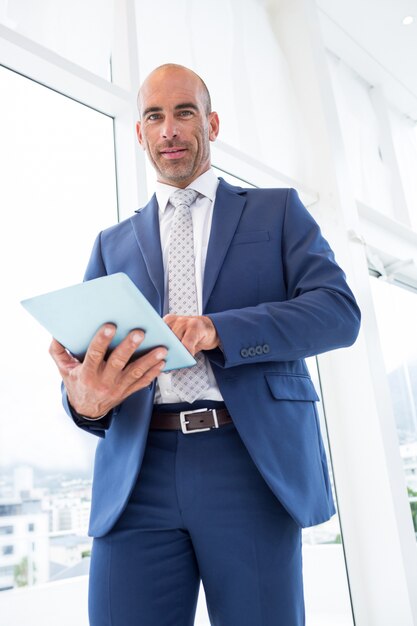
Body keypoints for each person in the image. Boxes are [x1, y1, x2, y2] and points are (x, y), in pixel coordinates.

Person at [49, 63, 361, 626]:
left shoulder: (278, 211)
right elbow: (85, 373)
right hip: (136, 472)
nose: (168, 128)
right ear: (139, 133)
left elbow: (339, 314)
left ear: (211, 124)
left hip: (245, 461)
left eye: (184, 112)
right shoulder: (110, 244)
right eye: (154, 116)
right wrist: (82, 401)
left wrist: (221, 329)